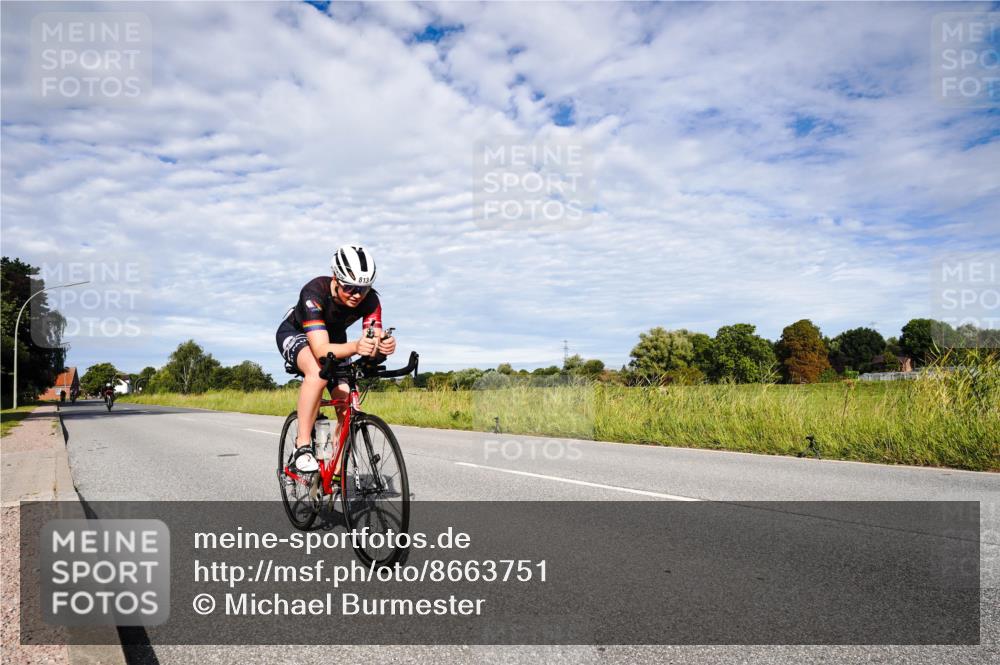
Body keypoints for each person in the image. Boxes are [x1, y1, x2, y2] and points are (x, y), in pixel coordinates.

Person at [275, 245, 396, 474]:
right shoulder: (314, 292)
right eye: (350, 287)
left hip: (335, 340)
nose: (357, 295)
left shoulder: (370, 301)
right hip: (297, 333)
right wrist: (356, 346)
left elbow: (371, 344)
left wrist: (382, 348)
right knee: (317, 372)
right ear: (335, 278)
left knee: (348, 404)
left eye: (363, 288)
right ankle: (301, 446)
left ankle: (335, 471)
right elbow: (321, 350)